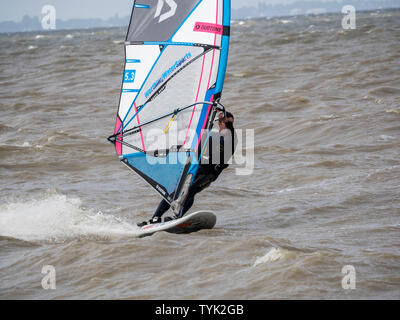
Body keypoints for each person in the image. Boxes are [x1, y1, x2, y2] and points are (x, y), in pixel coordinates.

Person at [137, 111, 236, 227]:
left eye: (221, 122)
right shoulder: (216, 135)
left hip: (209, 174)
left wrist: (206, 131)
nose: (219, 124)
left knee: (191, 190)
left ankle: (177, 216)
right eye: (218, 122)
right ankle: (155, 218)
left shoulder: (230, 137)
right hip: (197, 168)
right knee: (174, 191)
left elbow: (215, 144)